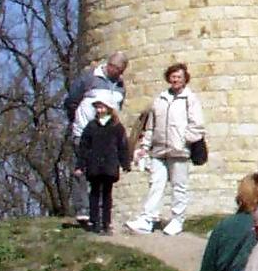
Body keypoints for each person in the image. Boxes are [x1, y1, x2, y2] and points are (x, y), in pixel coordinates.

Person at [126, 63, 206, 236]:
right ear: (168, 78)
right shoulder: (160, 100)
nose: (175, 79)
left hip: (179, 151)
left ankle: (177, 220)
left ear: (185, 79)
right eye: (173, 76)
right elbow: (150, 127)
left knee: (179, 187)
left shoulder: (190, 99)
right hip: (159, 150)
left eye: (179, 76)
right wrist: (145, 147)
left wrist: (184, 140)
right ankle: (148, 219)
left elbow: (197, 125)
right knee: (156, 184)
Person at [65, 53, 128, 221]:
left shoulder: (120, 86)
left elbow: (117, 109)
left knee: (102, 173)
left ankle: (100, 213)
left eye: (121, 70)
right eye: (116, 68)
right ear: (109, 64)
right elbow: (72, 100)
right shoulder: (89, 78)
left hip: (106, 138)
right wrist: (77, 120)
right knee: (82, 169)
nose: (118, 73)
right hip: (84, 131)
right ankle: (83, 209)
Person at [74, 89, 132, 235]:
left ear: (109, 108)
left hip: (109, 166)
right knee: (94, 193)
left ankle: (106, 223)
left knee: (107, 195)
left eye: (102, 107)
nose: (99, 110)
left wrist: (125, 163)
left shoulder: (116, 127)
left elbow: (122, 146)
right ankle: (94, 221)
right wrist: (80, 165)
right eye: (97, 107)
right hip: (94, 165)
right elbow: (84, 147)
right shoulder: (91, 126)